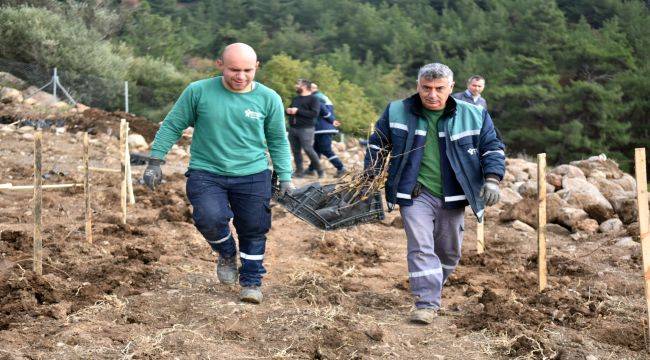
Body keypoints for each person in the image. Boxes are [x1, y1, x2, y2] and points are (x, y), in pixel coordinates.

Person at [142, 43, 293, 304]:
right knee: (209, 218)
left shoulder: (269, 99)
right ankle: (225, 252)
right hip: (206, 171)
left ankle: (251, 281)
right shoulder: (198, 92)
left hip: (253, 173)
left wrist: (285, 176)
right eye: (234, 69)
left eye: (248, 70)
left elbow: (278, 140)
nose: (241, 76)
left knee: (254, 229)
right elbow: (172, 125)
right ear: (219, 64)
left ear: (257, 67)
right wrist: (155, 161)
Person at [364, 63, 505, 324]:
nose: (432, 94)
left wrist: (493, 179)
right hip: (414, 192)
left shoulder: (474, 114)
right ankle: (426, 302)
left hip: (453, 195)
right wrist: (369, 178)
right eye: (426, 88)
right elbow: (378, 144)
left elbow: (492, 147)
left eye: (439, 89)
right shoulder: (397, 110)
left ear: (451, 88)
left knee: (449, 252)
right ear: (418, 86)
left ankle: (433, 283)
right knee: (420, 246)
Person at [307, 83, 346, 178]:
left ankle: (341, 168)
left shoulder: (315, 98)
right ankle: (311, 169)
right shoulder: (321, 96)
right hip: (322, 128)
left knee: (326, 149)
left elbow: (324, 111)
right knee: (316, 150)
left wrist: (332, 121)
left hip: (322, 128)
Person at [286, 79, 323, 178]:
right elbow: (291, 110)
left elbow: (314, 113)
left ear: (305, 86)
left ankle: (320, 171)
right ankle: (299, 172)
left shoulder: (313, 99)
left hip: (306, 129)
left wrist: (298, 111)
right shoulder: (296, 99)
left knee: (308, 149)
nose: (296, 86)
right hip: (293, 129)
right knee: (296, 151)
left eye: (298, 84)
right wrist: (288, 110)